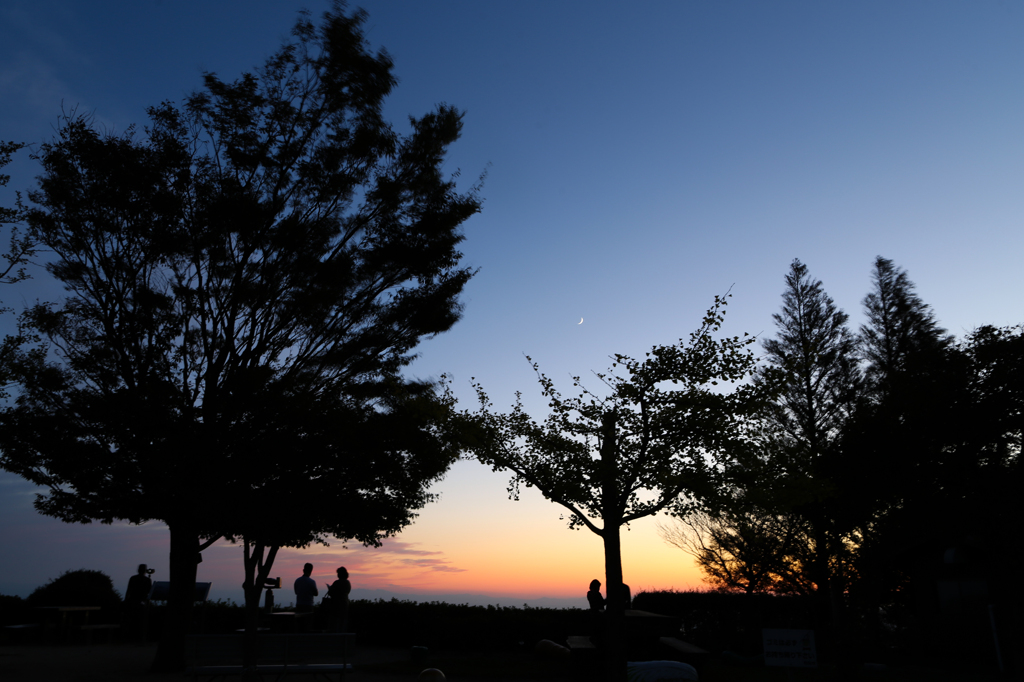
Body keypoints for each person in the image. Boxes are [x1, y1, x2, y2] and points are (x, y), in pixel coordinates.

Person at [124, 564, 153, 643]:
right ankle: (140, 638)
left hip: (132, 601)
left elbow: (128, 590)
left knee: (131, 621)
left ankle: (129, 638)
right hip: (141, 602)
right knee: (141, 622)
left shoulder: (133, 578)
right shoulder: (147, 580)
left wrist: (126, 601)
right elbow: (149, 592)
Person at [325, 566, 352, 632]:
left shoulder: (337, 582)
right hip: (345, 605)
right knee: (342, 623)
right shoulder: (347, 583)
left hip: (336, 606)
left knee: (335, 623)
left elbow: (331, 593)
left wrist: (330, 588)